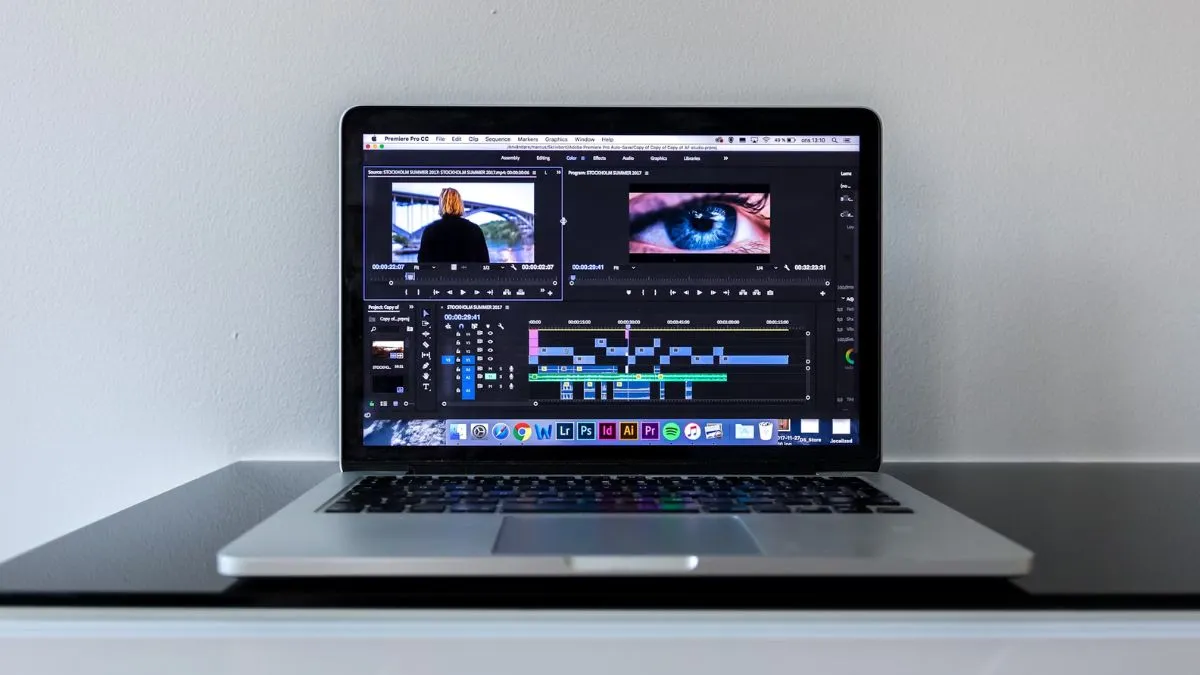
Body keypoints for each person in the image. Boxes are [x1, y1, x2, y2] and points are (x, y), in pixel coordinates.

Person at [416, 188, 491, 263]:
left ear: (441, 205)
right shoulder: (475, 230)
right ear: (460, 204)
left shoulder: (429, 230)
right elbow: (485, 263)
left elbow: (422, 264)